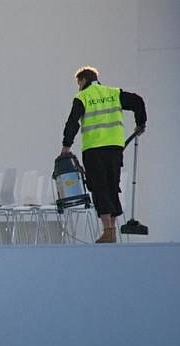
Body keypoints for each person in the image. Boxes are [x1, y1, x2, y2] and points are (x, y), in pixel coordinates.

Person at [62, 66, 146, 243]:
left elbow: (73, 122)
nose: (78, 87)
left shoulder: (83, 97)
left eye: (78, 83)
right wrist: (140, 123)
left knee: (99, 187)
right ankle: (112, 230)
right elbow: (137, 101)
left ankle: (108, 230)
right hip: (115, 148)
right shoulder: (114, 93)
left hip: (93, 149)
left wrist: (66, 146)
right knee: (112, 186)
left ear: (83, 80)